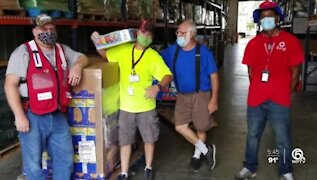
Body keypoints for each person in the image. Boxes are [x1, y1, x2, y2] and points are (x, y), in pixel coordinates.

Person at [4, 14, 89, 180]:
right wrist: (19, 116)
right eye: (44, 29)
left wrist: (78, 66)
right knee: (34, 165)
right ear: (35, 31)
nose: (48, 32)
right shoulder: (23, 52)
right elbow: (10, 84)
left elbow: (82, 58)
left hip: (57, 115)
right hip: (32, 116)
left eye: (52, 28)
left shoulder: (62, 50)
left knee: (65, 160)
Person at [91, 20, 172, 180]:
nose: (145, 37)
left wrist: (158, 87)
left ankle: (148, 167)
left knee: (149, 139)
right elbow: (106, 54)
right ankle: (124, 172)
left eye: (149, 35)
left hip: (146, 106)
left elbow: (167, 75)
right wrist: (97, 42)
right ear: (137, 34)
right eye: (143, 33)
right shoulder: (123, 49)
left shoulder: (153, 56)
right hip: (126, 107)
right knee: (125, 140)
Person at [235, 1, 304, 180]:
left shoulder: (290, 41)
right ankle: (250, 166)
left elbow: (296, 71)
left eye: (270, 16)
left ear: (277, 17)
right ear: (259, 20)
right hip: (256, 99)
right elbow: (250, 70)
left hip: (279, 100)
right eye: (263, 17)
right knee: (252, 135)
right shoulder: (254, 43)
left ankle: (286, 170)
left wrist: (285, 92)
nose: (266, 20)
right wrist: (259, 87)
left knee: (283, 138)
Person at [160, 20, 219, 172]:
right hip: (182, 95)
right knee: (180, 126)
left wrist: (214, 99)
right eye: (177, 32)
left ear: (192, 34)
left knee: (200, 128)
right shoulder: (174, 51)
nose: (178, 35)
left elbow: (214, 76)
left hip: (201, 94)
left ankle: (197, 155)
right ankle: (206, 150)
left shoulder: (204, 52)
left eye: (182, 32)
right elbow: (156, 58)